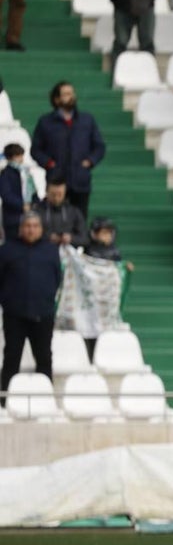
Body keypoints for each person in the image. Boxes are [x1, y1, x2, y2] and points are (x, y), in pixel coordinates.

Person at [0, 213, 61, 405]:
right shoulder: (7, 250)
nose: (31, 229)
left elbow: (56, 278)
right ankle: (4, 401)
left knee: (44, 357)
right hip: (14, 315)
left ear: (41, 229)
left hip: (43, 315)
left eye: (35, 225)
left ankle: (45, 399)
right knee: (11, 358)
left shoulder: (51, 251)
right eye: (27, 225)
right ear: (20, 228)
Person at [31, 82, 106, 219]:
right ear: (56, 99)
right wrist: (49, 164)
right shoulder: (46, 122)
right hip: (56, 181)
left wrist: (90, 161)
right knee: (55, 219)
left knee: (80, 219)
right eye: (66, 94)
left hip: (80, 180)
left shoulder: (86, 120)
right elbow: (36, 150)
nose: (71, 97)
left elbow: (99, 146)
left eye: (72, 93)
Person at [34, 179, 89, 247]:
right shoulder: (37, 211)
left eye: (60, 194)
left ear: (65, 193)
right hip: (42, 249)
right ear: (47, 192)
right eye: (53, 194)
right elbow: (28, 235)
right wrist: (47, 238)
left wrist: (71, 238)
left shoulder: (73, 212)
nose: (56, 198)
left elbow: (85, 238)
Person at [0, 143, 38, 237]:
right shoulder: (5, 174)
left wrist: (35, 204)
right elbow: (6, 195)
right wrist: (22, 205)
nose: (21, 159)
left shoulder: (26, 173)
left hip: (29, 216)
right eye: (18, 156)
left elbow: (33, 190)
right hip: (13, 218)